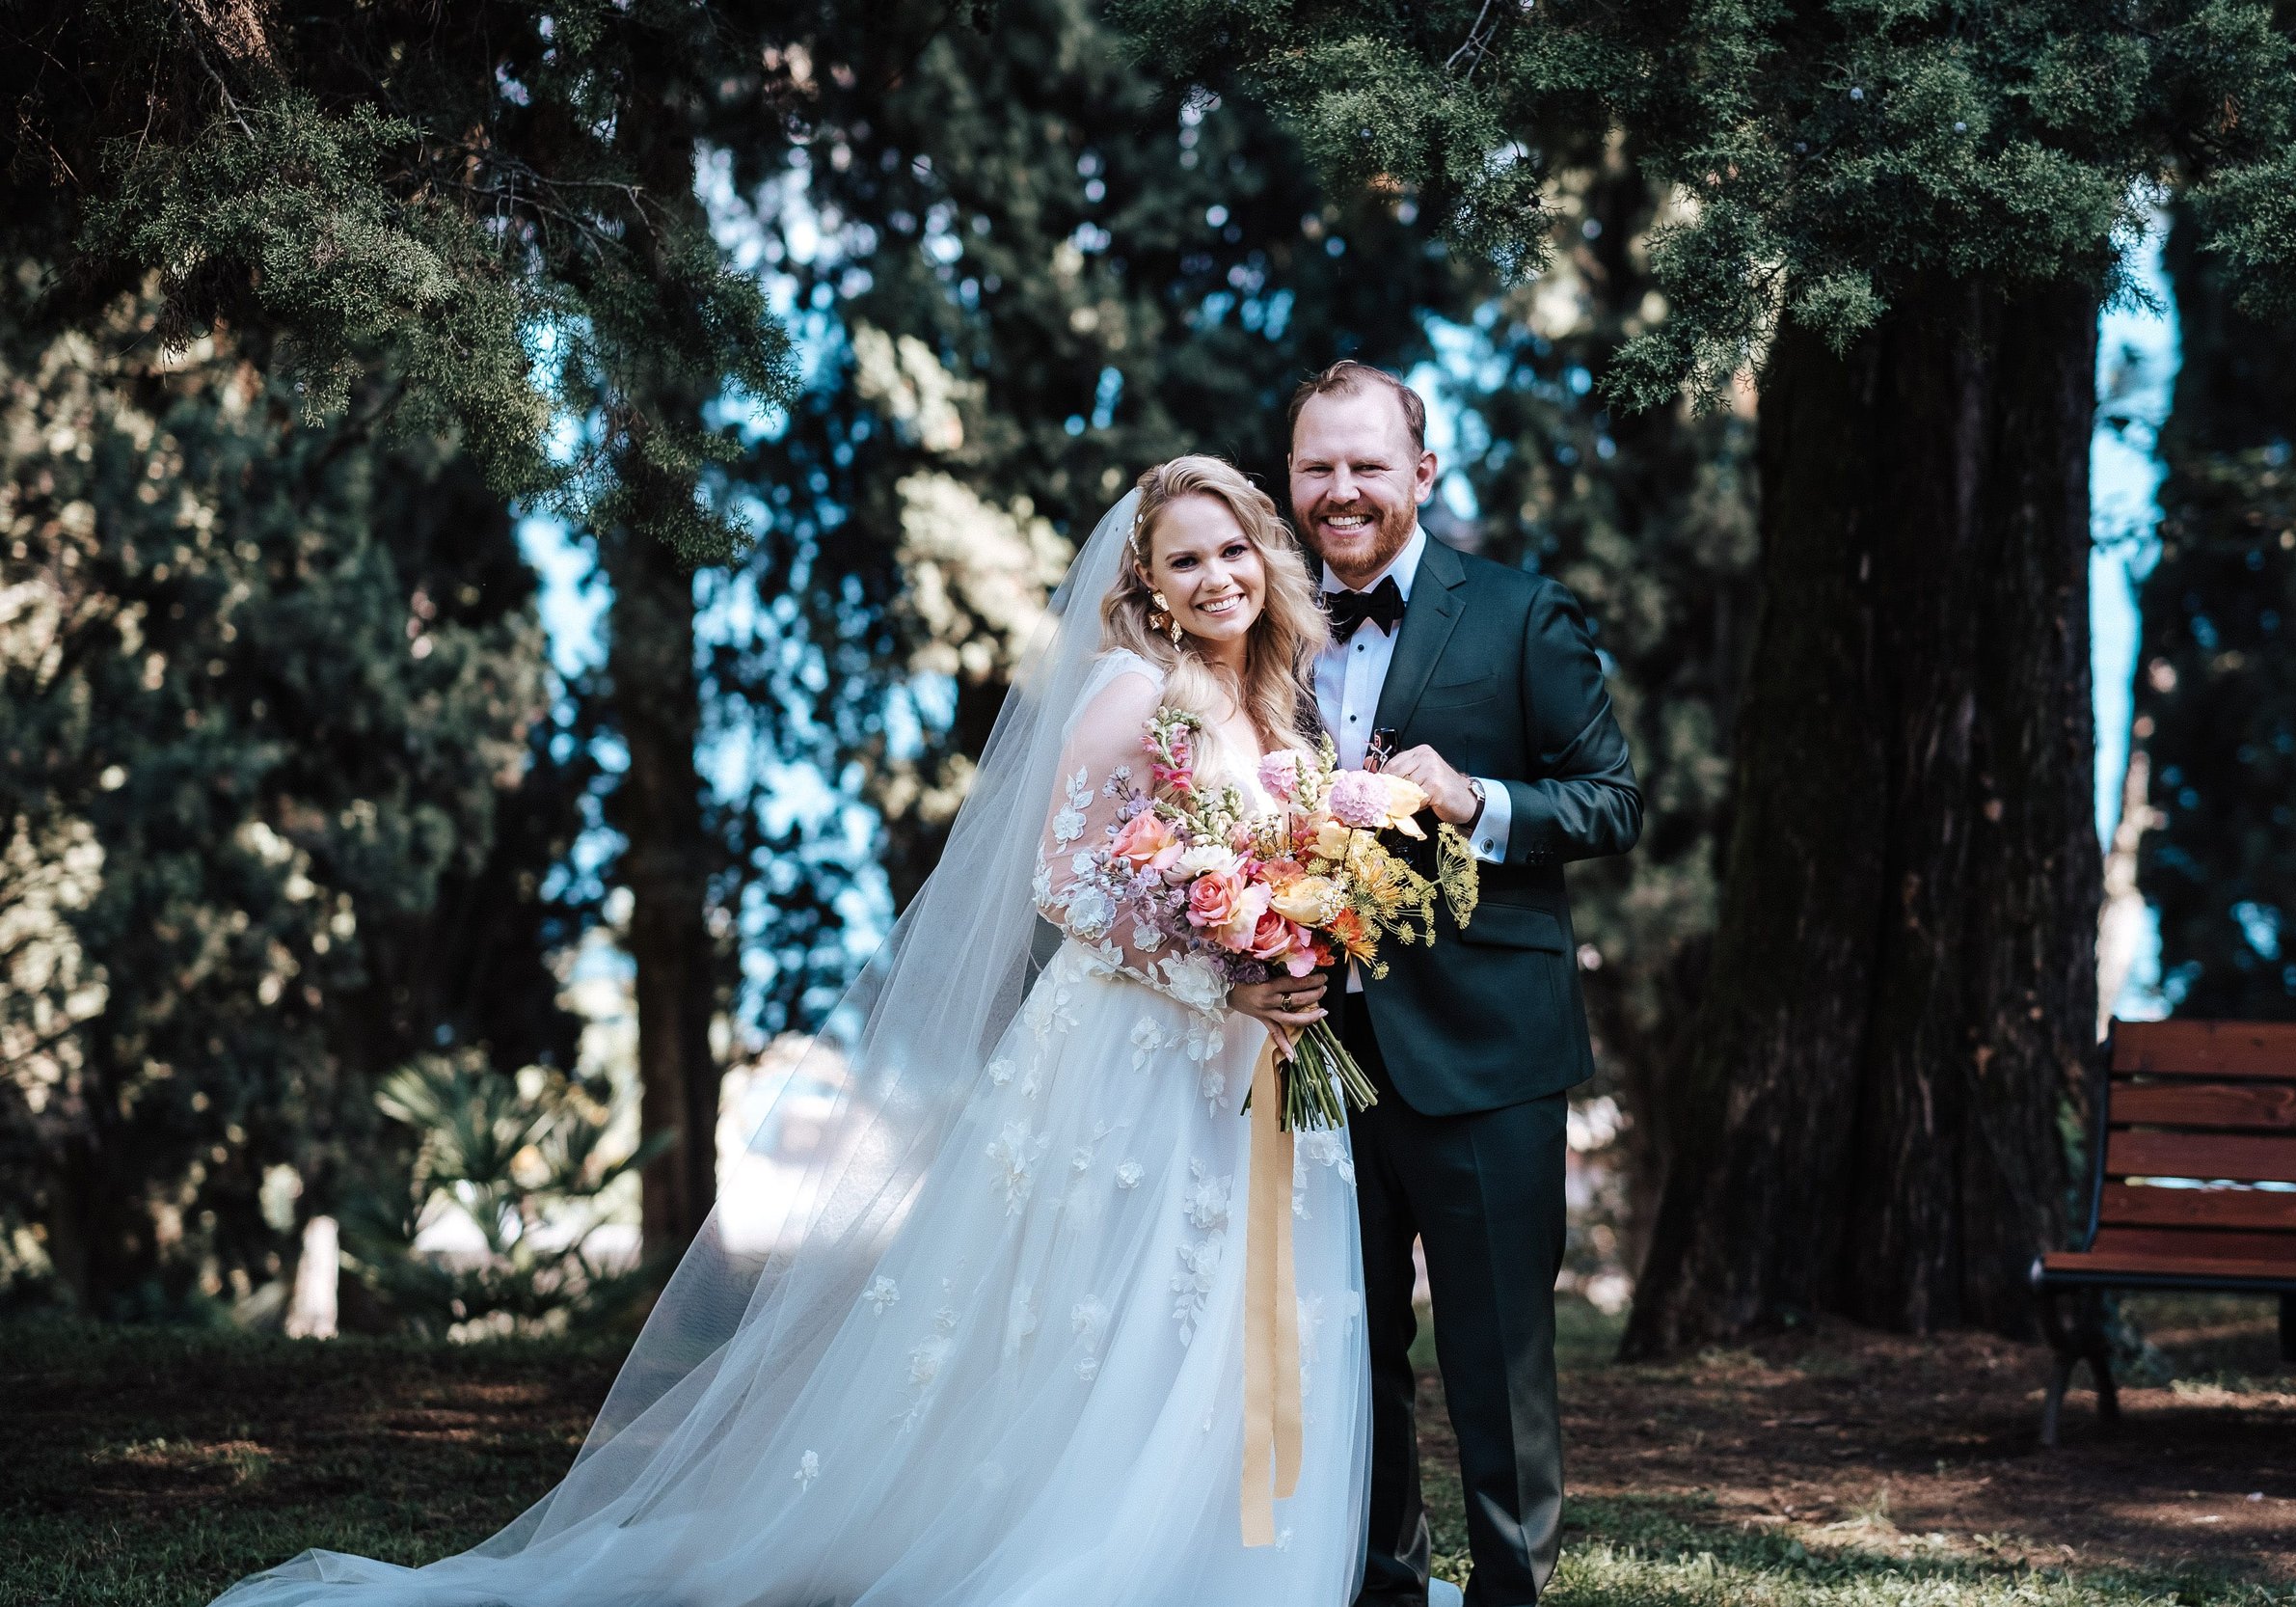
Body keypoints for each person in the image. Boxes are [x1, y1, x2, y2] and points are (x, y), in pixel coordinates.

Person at [204, 456, 1374, 1606]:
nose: (1218, 576)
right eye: (1187, 560)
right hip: (1136, 1053)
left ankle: (1209, 1557)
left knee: (1217, 1308)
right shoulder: (1131, 687)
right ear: (1146, 582)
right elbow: (1063, 882)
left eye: (1232, 550)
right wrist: (1215, 977)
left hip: (1236, 1055)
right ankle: (1100, 1552)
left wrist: (1288, 936)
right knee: (1114, 1311)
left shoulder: (1264, 695)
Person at [1288, 362, 1643, 1607]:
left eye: (1367, 465)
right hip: (1311, 1057)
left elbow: (1613, 797)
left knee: (1496, 1356)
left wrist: (1475, 800)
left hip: (1489, 1047)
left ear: (1421, 474)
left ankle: (1509, 1590)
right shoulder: (1263, 625)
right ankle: (1385, 1585)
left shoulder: (1519, 611)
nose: (1342, 490)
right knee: (1348, 1345)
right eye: (1317, 466)